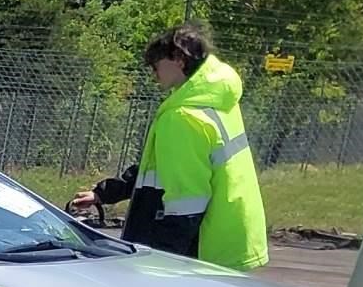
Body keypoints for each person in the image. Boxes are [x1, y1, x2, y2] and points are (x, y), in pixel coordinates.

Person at [66, 26, 268, 269]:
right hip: (230, 237)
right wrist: (106, 193)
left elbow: (187, 204)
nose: (153, 72)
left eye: (156, 64)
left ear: (179, 60)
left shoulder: (183, 116)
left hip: (204, 249)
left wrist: (165, 265)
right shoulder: (216, 101)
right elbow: (161, 167)